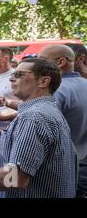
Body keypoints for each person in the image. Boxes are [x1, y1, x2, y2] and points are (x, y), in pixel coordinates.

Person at [0, 58, 77, 198]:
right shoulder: (43, 110)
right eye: (13, 74)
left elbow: (16, 177)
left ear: (43, 81)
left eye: (19, 74)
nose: (11, 78)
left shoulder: (33, 117)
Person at [39, 45, 87, 198]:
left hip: (63, 167)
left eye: (42, 61)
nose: (37, 65)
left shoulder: (57, 90)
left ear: (60, 62)